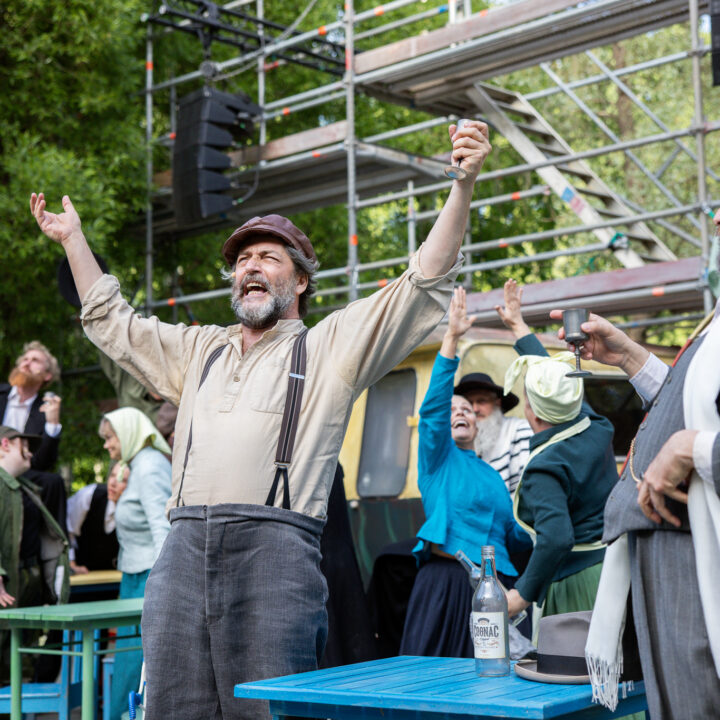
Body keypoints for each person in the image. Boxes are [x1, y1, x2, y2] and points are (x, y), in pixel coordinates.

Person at [30, 119, 491, 719]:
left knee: (265, 709)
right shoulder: (200, 349)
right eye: (243, 258)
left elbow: (421, 281)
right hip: (183, 546)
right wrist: (73, 241)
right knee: (174, 706)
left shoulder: (330, 349)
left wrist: (462, 185)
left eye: (268, 257)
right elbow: (115, 324)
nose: (250, 266)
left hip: (275, 551)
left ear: (299, 280)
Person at [572, 217, 720, 719]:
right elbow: (693, 402)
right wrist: (632, 359)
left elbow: (695, 430)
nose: (715, 222)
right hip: (679, 571)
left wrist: (693, 450)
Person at [400, 287, 532, 658]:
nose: (460, 412)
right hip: (447, 585)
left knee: (496, 686)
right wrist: (452, 337)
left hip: (500, 591)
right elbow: (433, 409)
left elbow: (515, 535)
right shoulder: (438, 459)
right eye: (454, 408)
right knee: (436, 691)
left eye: (469, 410)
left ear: (478, 422)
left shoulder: (491, 476)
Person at [495, 280, 618, 622]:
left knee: (576, 673)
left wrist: (521, 595)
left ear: (531, 410)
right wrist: (518, 327)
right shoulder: (595, 427)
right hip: (612, 570)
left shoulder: (545, 467)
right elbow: (558, 386)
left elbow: (557, 539)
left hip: (575, 584)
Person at [98, 407, 172, 720]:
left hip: (148, 577)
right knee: (128, 659)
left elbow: (163, 526)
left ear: (128, 433)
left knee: (136, 662)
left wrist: (162, 583)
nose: (107, 445)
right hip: (132, 575)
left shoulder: (150, 465)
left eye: (109, 437)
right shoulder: (130, 465)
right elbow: (112, 526)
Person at [0, 426, 69, 683]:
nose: (30, 453)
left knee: (21, 662)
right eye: (24, 446)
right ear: (5, 444)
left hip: (26, 584)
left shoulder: (26, 487)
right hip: (7, 588)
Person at [453, 370, 532, 497]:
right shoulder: (457, 445)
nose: (475, 409)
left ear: (497, 403)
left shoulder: (519, 430)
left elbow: (530, 486)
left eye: (481, 401)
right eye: (468, 404)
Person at [0, 341, 63, 472]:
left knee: (53, 482)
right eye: (25, 359)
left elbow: (43, 463)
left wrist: (52, 424)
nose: (26, 363)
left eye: (35, 360)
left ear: (47, 375)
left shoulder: (45, 411)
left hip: (20, 474)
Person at [66, 462, 128, 574]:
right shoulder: (89, 495)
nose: (113, 483)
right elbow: (67, 527)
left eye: (121, 480)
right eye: (112, 475)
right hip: (82, 574)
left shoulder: (136, 510)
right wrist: (71, 563)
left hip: (114, 577)